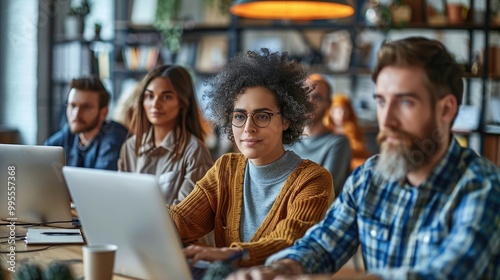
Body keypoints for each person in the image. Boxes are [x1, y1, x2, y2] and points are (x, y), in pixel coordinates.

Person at [229, 37, 500, 279]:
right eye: (382, 102)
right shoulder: (369, 177)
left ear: (446, 109)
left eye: (405, 102)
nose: (387, 120)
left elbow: (443, 274)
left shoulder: (483, 188)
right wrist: (279, 270)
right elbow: (324, 243)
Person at [169, 49, 334, 267]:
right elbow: (183, 220)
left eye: (262, 116)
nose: (248, 128)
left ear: (286, 120)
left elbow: (289, 241)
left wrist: (231, 255)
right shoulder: (225, 169)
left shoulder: (313, 180)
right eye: (239, 116)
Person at [117, 65, 213, 205]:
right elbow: (120, 199)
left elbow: (185, 215)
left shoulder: (194, 151)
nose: (155, 104)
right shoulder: (130, 147)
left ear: (182, 102)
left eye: (166, 97)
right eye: (149, 96)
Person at [45, 76, 128, 170]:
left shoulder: (113, 139)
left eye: (86, 107)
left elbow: (99, 182)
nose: (76, 114)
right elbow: (45, 157)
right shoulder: (68, 133)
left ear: (103, 113)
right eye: (72, 105)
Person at [287, 74, 351, 196]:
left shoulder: (338, 143)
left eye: (317, 98)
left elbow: (323, 191)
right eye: (304, 97)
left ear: (329, 104)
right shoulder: (286, 140)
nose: (309, 103)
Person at [325, 94, 371, 171]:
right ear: (330, 111)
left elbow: (362, 151)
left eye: (344, 109)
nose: (342, 114)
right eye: (337, 110)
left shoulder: (353, 129)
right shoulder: (326, 130)